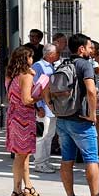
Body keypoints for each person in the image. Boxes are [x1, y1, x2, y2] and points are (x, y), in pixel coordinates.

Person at [47, 33, 99, 196]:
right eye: (90, 47)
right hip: (81, 120)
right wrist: (93, 115)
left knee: (66, 160)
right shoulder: (85, 65)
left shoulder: (62, 64)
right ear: (81, 49)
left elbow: (45, 89)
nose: (93, 51)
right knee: (91, 159)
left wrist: (53, 108)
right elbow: (91, 92)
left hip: (63, 119)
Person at [5, 46, 48, 196]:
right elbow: (26, 100)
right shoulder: (26, 76)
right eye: (31, 57)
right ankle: (16, 191)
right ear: (26, 59)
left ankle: (28, 187)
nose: (33, 60)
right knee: (21, 156)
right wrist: (39, 96)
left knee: (23, 155)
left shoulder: (10, 75)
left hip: (13, 116)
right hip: (24, 118)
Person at [32, 44, 60, 174]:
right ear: (50, 54)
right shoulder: (39, 66)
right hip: (43, 107)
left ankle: (45, 160)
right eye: (56, 52)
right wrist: (38, 107)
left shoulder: (51, 66)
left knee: (49, 135)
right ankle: (39, 163)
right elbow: (36, 88)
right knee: (41, 135)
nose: (58, 54)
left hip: (51, 107)